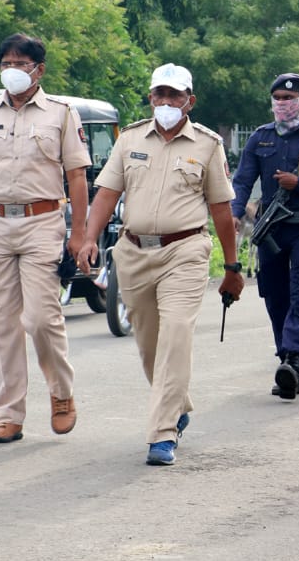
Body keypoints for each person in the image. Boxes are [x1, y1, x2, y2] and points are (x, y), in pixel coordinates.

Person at [78, 63, 244, 466]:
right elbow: (106, 193)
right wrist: (87, 238)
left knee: (175, 335)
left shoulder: (207, 144)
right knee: (150, 345)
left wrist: (233, 267)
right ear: (151, 97)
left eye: (175, 95)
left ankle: (162, 433)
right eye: (160, 95)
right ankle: (177, 405)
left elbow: (222, 211)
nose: (167, 102)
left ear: (190, 100)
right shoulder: (131, 138)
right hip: (134, 252)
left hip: (184, 250)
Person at [0, 33, 91, 444]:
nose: (12, 70)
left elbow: (78, 175)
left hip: (41, 222)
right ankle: (8, 413)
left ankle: (61, 394)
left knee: (41, 319)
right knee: (1, 323)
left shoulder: (62, 114)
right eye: (6, 63)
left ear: (38, 70)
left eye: (20, 63)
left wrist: (79, 233)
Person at [230, 73, 299, 399]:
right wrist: (235, 212)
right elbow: (243, 180)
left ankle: (295, 357)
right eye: (278, 98)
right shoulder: (260, 138)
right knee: (275, 296)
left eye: (289, 98)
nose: (283, 104)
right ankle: (287, 363)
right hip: (271, 230)